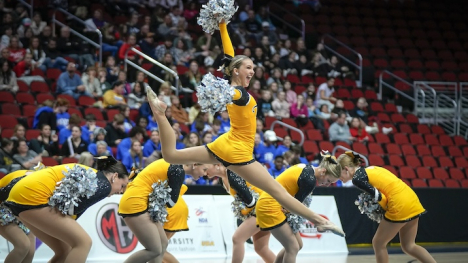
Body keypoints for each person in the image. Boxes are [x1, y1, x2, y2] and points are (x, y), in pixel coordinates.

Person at [145, 18, 344, 236]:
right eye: (248, 67)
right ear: (237, 71)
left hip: (224, 144)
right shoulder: (239, 92)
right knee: (277, 191)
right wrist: (221, 93)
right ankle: (319, 221)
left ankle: (160, 114)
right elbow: (232, 92)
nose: (252, 71)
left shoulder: (234, 83)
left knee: (170, 154)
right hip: (238, 151)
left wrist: (222, 25)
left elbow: (229, 53)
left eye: (253, 67)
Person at [5, 156, 129, 263]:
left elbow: (68, 210)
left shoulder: (93, 176)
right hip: (32, 197)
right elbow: (72, 211)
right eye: (123, 186)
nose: (121, 191)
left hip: (18, 197)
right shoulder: (104, 184)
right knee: (83, 243)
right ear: (115, 176)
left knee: (64, 251)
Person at [337, 152, 436, 263]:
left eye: (338, 173)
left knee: (378, 243)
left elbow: (380, 197)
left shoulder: (357, 179)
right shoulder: (371, 168)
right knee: (409, 246)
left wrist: (383, 212)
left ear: (346, 169)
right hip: (411, 198)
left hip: (399, 204)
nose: (338, 177)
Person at [256, 154, 341, 263]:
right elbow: (296, 206)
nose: (328, 185)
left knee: (298, 245)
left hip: (271, 202)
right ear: (323, 171)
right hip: (269, 206)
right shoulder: (309, 180)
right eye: (329, 181)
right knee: (292, 247)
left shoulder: (307, 168)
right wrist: (318, 222)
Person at [118, 159, 207, 263]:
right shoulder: (178, 170)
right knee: (154, 250)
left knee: (163, 244)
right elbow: (171, 203)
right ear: (195, 164)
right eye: (204, 169)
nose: (205, 174)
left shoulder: (175, 166)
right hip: (135, 202)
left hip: (140, 201)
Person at [205, 165, 276, 263]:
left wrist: (244, 212)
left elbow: (250, 200)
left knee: (237, 238)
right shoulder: (222, 180)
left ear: (217, 165)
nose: (204, 172)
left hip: (264, 207)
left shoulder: (232, 173)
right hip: (260, 207)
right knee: (261, 248)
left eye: (205, 169)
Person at [0, 169, 37, 263]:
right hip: (4, 208)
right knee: (23, 246)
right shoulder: (25, 179)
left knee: (30, 250)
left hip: (23, 209)